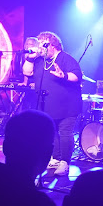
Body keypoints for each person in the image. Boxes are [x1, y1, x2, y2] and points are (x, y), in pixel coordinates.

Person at [22, 31, 82, 176]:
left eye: (42, 45)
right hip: (47, 104)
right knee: (52, 131)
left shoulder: (65, 58)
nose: (39, 48)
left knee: (65, 132)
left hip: (67, 106)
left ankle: (65, 162)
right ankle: (55, 158)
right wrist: (29, 59)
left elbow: (77, 76)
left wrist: (64, 75)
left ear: (52, 45)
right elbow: (27, 73)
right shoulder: (40, 61)